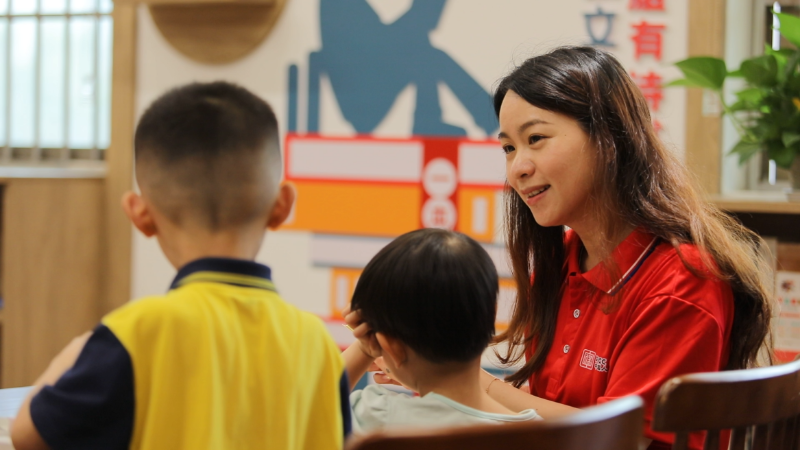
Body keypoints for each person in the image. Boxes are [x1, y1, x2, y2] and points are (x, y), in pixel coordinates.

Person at [11, 82, 350, 450]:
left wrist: (79, 349)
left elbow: (28, 436)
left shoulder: (136, 332)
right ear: (282, 206)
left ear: (140, 214)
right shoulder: (318, 346)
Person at [483, 46, 773, 449]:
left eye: (536, 139)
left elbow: (620, 438)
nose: (518, 168)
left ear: (608, 139)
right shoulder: (560, 262)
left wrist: (477, 387)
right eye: (509, 148)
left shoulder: (682, 282)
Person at [341, 229, 546, 433]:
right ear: (491, 315)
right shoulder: (541, 433)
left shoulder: (378, 417)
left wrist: (364, 349)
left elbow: (321, 405)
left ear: (390, 347)